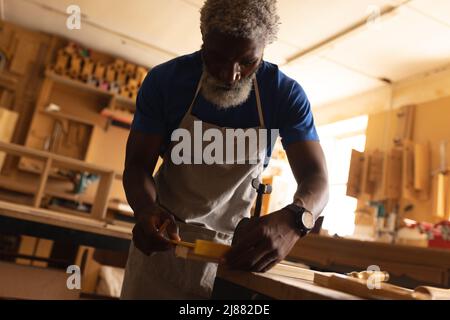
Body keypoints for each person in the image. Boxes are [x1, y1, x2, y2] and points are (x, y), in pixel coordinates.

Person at [120, 0, 329, 299]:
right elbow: (137, 165)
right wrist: (144, 209)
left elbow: (317, 177)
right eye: (216, 57)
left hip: (234, 255)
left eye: (247, 61)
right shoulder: (166, 82)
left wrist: (296, 221)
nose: (230, 75)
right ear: (203, 39)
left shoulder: (283, 95)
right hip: (162, 243)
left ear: (264, 48)